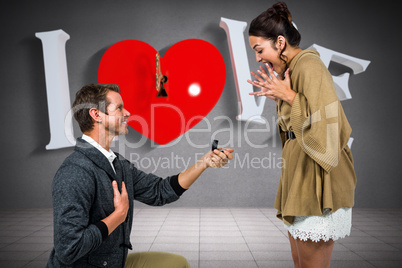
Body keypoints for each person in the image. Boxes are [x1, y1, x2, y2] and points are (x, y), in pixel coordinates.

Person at [47, 83, 234, 267]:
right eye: (119, 107)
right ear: (96, 115)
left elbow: (161, 191)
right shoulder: (75, 172)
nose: (127, 113)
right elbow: (68, 249)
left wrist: (204, 163)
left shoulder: (118, 165)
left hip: (112, 263)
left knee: (177, 264)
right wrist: (118, 216)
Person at [247, 2, 356, 268]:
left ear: (280, 42)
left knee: (311, 264)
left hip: (318, 178)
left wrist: (288, 96)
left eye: (260, 50)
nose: (258, 58)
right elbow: (296, 126)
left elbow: (331, 130)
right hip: (301, 173)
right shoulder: (290, 70)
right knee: (299, 260)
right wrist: (281, 96)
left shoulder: (309, 66)